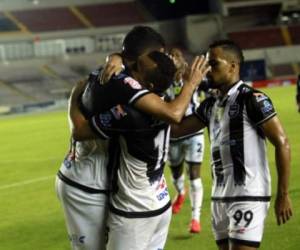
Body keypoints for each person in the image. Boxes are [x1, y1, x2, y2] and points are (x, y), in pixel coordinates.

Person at [171, 39, 293, 250]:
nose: (208, 70)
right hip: (219, 198)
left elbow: (282, 143)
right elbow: (175, 130)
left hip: (248, 195)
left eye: (214, 64)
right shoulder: (210, 104)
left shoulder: (252, 99)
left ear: (233, 66)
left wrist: (283, 195)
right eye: (207, 64)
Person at [70, 51, 178, 250]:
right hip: (160, 203)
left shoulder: (129, 113)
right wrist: (116, 56)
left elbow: (80, 131)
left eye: (136, 68)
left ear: (148, 86)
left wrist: (75, 95)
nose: (129, 69)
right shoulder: (168, 102)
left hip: (134, 210)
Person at [166, 48, 205, 233]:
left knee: (195, 176)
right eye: (170, 57)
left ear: (182, 60)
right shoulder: (162, 81)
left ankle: (195, 218)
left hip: (193, 132)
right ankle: (181, 193)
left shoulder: (192, 76)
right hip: (173, 134)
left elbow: (210, 86)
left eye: (175, 56)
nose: (172, 59)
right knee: (175, 173)